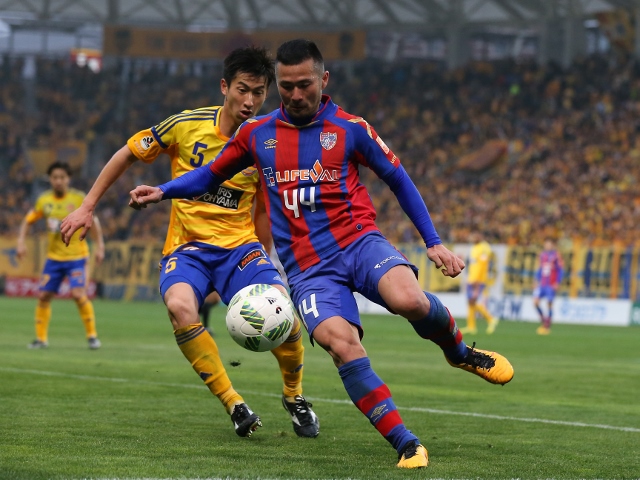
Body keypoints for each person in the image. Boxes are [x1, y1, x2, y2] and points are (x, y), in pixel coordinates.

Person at [128, 39, 514, 468]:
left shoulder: (351, 128)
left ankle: (460, 354)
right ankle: (406, 443)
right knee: (341, 345)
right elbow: (208, 176)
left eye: (304, 84)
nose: (295, 94)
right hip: (309, 270)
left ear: (323, 79)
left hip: (358, 243)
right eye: (286, 86)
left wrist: (433, 242)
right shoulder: (256, 134)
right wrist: (163, 190)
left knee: (409, 300)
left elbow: (398, 179)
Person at [60, 46, 319, 439]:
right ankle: (235, 404)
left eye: (259, 93)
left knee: (282, 314)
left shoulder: (268, 141)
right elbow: (127, 153)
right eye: (242, 90)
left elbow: (265, 211)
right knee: (180, 307)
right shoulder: (185, 124)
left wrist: (264, 257)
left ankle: (294, 395)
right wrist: (87, 206)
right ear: (224, 87)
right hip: (187, 251)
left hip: (240, 250)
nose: (249, 101)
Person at [17, 161, 105, 350]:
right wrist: (21, 242)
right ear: (50, 179)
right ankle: (41, 339)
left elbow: (94, 221)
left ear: (68, 179)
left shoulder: (79, 198)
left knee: (78, 294)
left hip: (77, 257)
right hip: (54, 258)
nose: (58, 181)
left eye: (62, 177)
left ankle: (92, 336)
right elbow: (28, 221)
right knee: (43, 296)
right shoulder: (44, 201)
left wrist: (100, 246)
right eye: (55, 177)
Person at [460, 232, 498, 335]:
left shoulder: (484, 248)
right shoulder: (474, 247)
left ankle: (490, 318)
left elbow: (482, 266)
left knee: (472, 300)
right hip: (472, 278)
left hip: (478, 280)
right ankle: (471, 326)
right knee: (470, 301)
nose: (473, 238)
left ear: (480, 237)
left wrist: (477, 282)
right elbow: (473, 265)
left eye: (475, 236)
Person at [533, 238, 564, 335]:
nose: (547, 246)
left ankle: (547, 325)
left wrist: (557, 282)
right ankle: (544, 320)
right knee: (535, 302)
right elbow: (540, 269)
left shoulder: (556, 255)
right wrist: (536, 279)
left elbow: (560, 270)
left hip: (551, 284)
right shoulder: (542, 255)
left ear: (552, 245)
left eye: (549, 244)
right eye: (546, 244)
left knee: (549, 304)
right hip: (542, 284)